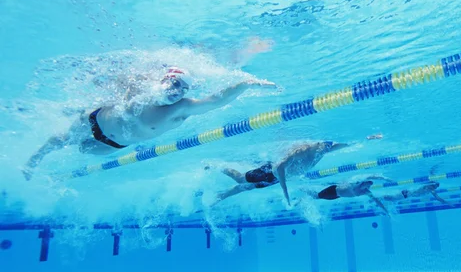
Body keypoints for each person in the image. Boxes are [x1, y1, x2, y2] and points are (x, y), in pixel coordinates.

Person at [23, 67, 276, 180]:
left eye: (184, 89)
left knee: (80, 150)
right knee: (59, 140)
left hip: (112, 146)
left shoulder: (182, 107)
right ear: (165, 80)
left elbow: (216, 100)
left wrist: (246, 84)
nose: (178, 92)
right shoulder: (140, 87)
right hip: (94, 122)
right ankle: (33, 160)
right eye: (176, 84)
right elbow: (108, 80)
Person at [214, 141, 349, 205]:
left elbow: (336, 146)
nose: (324, 151)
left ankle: (221, 196)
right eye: (323, 148)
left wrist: (350, 144)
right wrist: (285, 193)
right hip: (268, 172)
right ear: (316, 145)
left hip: (275, 179)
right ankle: (219, 166)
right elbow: (280, 166)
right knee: (240, 180)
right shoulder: (303, 151)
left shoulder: (321, 152)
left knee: (246, 188)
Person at [304, 178, 390, 215]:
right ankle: (302, 189)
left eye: (368, 186)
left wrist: (386, 210)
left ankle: (305, 190)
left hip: (336, 196)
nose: (366, 187)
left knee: (317, 196)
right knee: (316, 196)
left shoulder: (366, 192)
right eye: (366, 184)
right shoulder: (357, 184)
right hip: (333, 190)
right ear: (363, 183)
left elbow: (377, 201)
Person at [384, 181, 452, 206]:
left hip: (407, 193)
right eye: (434, 186)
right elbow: (438, 198)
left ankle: (380, 198)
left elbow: (437, 198)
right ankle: (380, 197)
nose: (434, 188)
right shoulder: (428, 187)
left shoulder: (429, 188)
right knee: (392, 198)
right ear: (431, 184)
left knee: (393, 199)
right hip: (407, 193)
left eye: (435, 187)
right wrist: (447, 203)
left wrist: (445, 202)